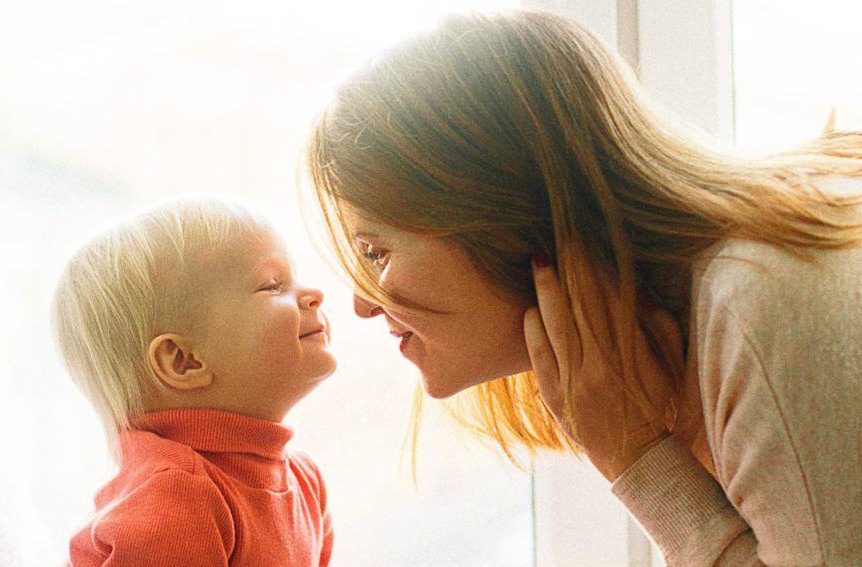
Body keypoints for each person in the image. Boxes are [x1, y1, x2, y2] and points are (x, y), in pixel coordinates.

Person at [303, 10, 862, 566]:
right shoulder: (708, 321)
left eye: (375, 252)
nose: (361, 303)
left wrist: (639, 459)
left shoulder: (757, 306)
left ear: (501, 214)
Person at [52, 196, 336, 566]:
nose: (313, 295)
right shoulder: (176, 498)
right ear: (183, 361)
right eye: (272, 285)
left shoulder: (304, 478)